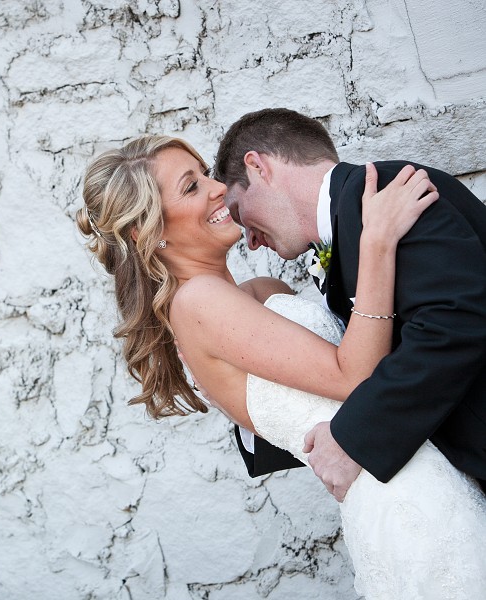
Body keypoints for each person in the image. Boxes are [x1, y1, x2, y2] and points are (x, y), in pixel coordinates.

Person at [77, 134, 486, 598]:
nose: (218, 189)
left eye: (206, 174)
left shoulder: (262, 291)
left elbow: (367, 355)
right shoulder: (197, 303)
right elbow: (352, 376)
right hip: (400, 493)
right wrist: (375, 243)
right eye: (191, 187)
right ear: (147, 230)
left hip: (421, 465)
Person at [215, 108, 486, 502]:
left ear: (258, 167)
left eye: (239, 210)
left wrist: (354, 438)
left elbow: (455, 320)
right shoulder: (351, 222)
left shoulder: (388, 192)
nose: (250, 241)